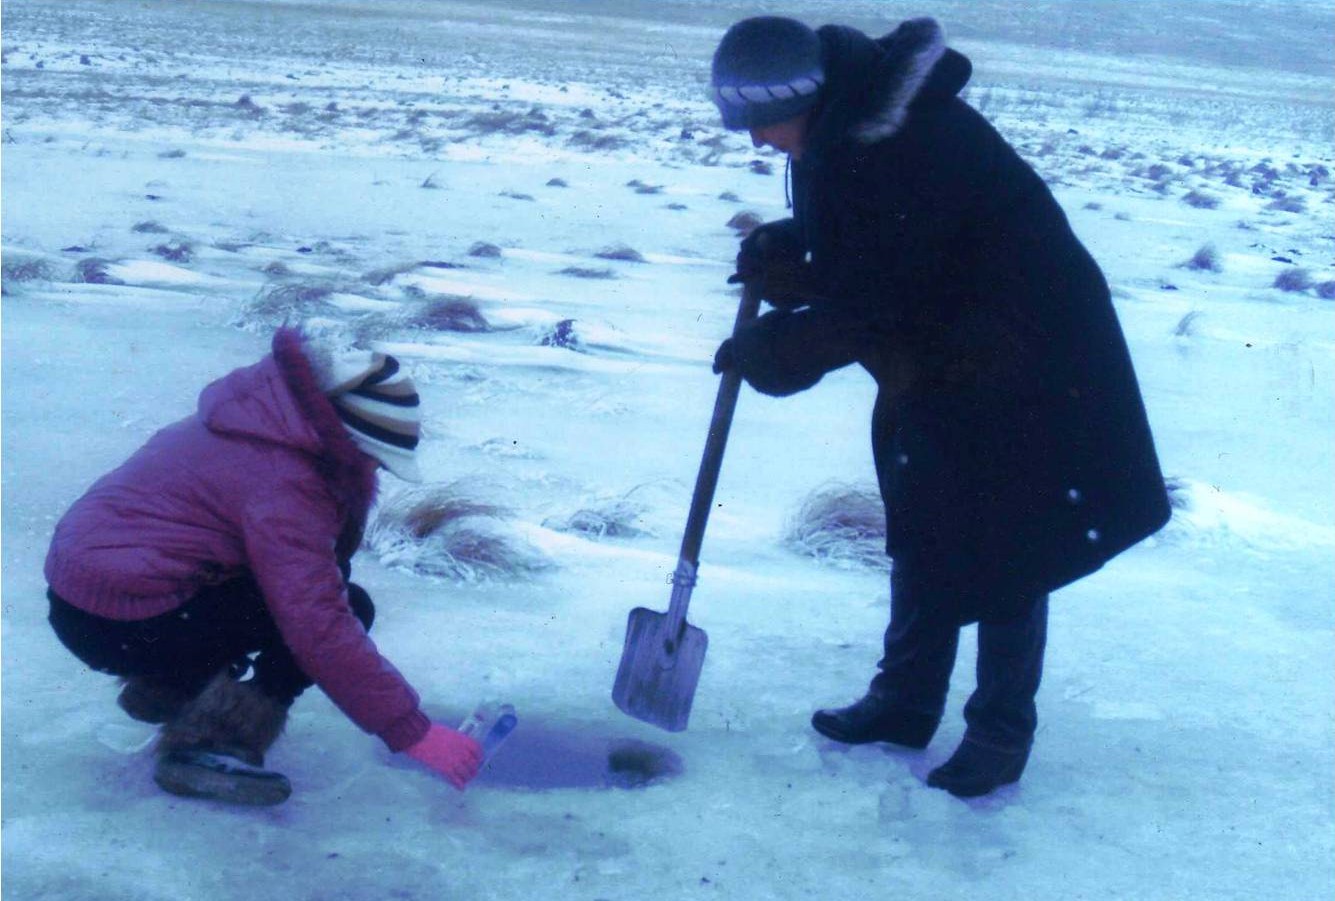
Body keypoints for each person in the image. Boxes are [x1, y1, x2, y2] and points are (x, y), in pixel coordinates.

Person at [708, 16, 1170, 798]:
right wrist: (794, 245)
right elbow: (882, 250)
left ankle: (998, 731)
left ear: (803, 98)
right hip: (948, 346)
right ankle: (904, 699)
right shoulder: (848, 128)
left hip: (1024, 353)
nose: (757, 143)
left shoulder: (894, 144)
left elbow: (881, 293)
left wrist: (775, 349)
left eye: (761, 123)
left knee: (1006, 535)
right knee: (924, 503)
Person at [44, 327, 483, 805]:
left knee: (297, 593)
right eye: (375, 460)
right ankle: (206, 744)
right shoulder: (285, 482)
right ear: (347, 441)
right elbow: (318, 622)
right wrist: (412, 732)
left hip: (93, 607)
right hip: (122, 619)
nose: (376, 472)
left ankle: (167, 687)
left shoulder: (254, 425)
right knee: (341, 611)